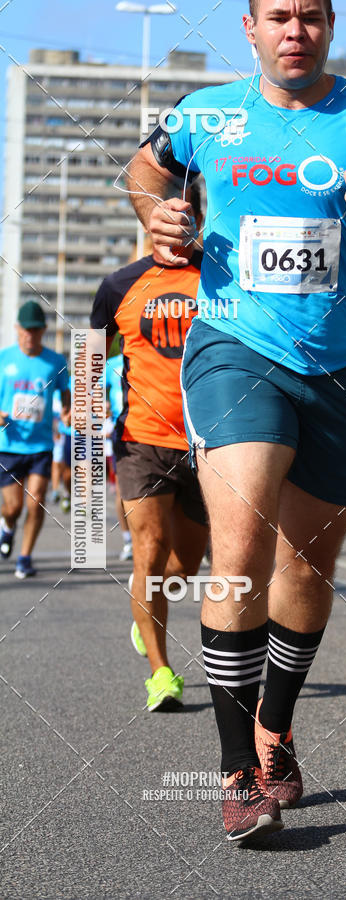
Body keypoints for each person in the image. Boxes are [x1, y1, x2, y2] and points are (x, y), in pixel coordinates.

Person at [126, 0, 346, 841]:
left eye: (310, 16)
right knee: (240, 551)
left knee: (306, 569)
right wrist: (155, 213)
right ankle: (237, 771)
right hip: (237, 348)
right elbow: (144, 171)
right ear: (250, 28)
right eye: (279, 16)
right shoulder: (209, 113)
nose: (295, 30)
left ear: (331, 26)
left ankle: (276, 726)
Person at [90, 184, 208, 712]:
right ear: (149, 220)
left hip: (212, 443)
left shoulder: (224, 277)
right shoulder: (118, 285)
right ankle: (161, 672)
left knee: (188, 565)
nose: (178, 227)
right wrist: (88, 401)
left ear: (201, 221)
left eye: (190, 218)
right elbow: (91, 351)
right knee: (151, 551)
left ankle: (147, 615)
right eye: (169, 216)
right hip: (143, 440)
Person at [0, 301, 70, 578]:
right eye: (25, 330)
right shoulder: (4, 359)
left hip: (41, 446)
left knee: (36, 500)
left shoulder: (55, 362)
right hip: (8, 445)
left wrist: (66, 411)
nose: (30, 335)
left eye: (36, 330)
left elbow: (65, 392)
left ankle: (25, 557)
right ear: (17, 330)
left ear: (43, 331)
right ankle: (7, 528)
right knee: (14, 507)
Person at [104, 353, 133, 561]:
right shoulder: (111, 364)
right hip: (121, 430)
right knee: (122, 490)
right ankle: (128, 540)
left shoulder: (150, 353)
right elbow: (94, 389)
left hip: (154, 429)